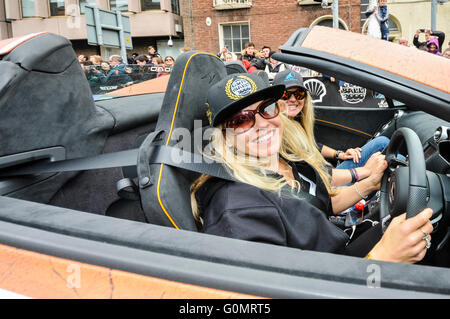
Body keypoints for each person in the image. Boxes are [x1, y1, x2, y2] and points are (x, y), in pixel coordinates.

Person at [191, 72, 433, 263]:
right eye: (241, 119)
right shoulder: (236, 210)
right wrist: (383, 257)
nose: (262, 124)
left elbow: (322, 203)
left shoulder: (284, 157)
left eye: (266, 108)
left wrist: (368, 182)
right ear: (223, 135)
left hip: (337, 252)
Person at [273, 70, 389, 174]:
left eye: (299, 94)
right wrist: (363, 172)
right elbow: (314, 177)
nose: (293, 99)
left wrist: (340, 154)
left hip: (327, 175)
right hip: (326, 184)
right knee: (383, 146)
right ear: (274, 98)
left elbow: (313, 146)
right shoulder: (276, 130)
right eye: (285, 95)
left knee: (383, 146)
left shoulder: (296, 123)